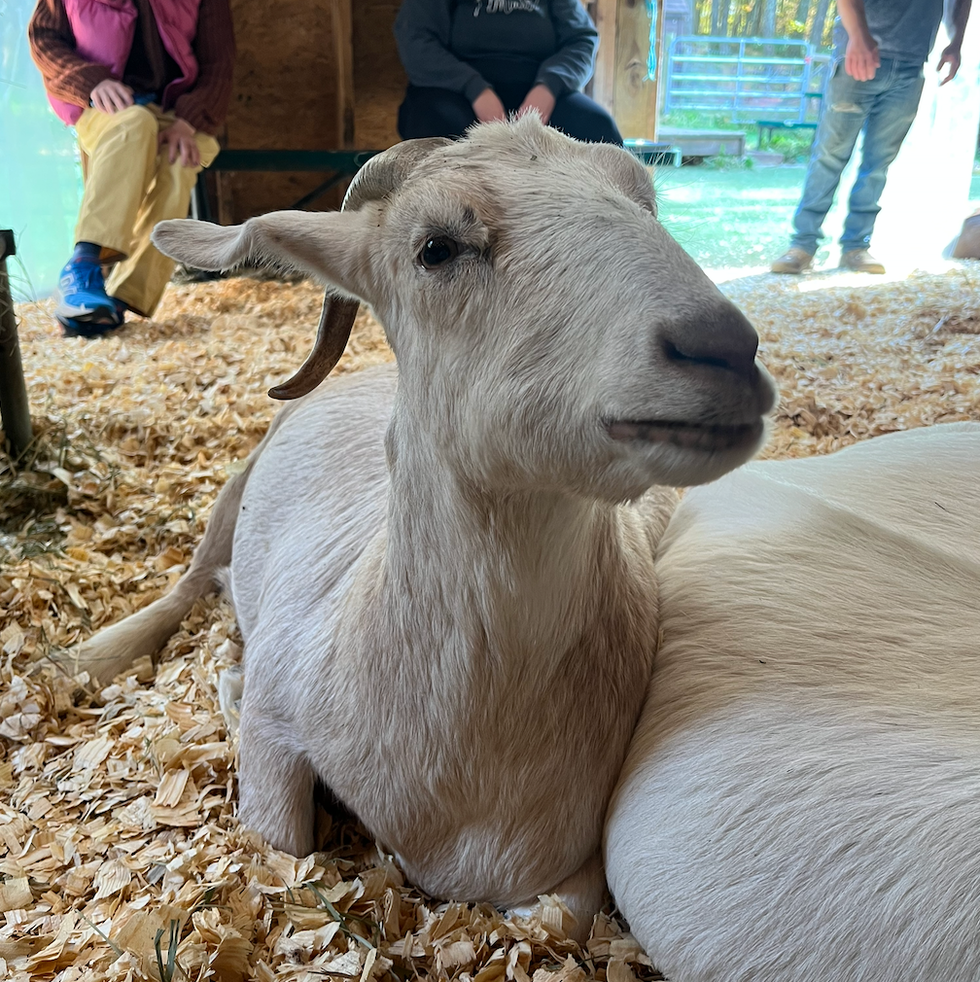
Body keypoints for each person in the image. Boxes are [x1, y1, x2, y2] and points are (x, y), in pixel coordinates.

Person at [29, 0, 235, 337]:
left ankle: (120, 301)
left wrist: (189, 119)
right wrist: (91, 83)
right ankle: (81, 268)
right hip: (103, 105)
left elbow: (219, 65)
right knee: (135, 123)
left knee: (180, 162)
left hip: (176, 113)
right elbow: (44, 38)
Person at [770, 0, 971, 275]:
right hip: (857, 56)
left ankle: (856, 247)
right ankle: (802, 247)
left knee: (878, 163)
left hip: (912, 63)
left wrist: (956, 42)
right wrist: (859, 36)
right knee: (830, 156)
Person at [394, 0, 622, 146]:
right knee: (432, 129)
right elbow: (415, 38)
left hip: (539, 92)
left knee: (599, 129)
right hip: (453, 90)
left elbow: (581, 39)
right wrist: (475, 89)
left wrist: (548, 87)